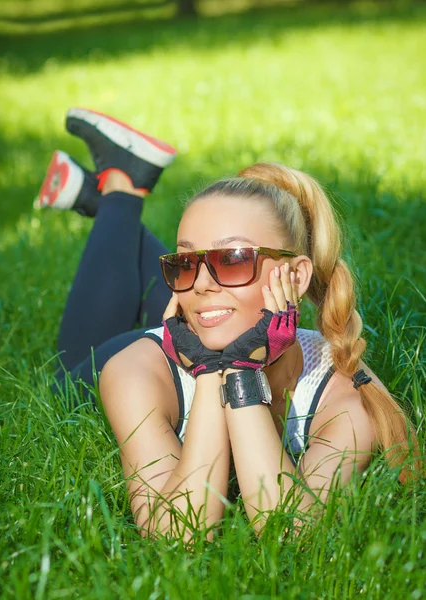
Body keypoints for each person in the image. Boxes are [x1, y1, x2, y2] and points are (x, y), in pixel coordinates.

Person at [38, 107, 421, 540]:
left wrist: (241, 371)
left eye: (234, 258)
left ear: (295, 276)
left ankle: (108, 196)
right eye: (185, 261)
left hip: (220, 324)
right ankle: (120, 193)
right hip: (124, 358)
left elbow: (288, 530)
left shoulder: (342, 391)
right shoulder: (130, 371)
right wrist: (207, 371)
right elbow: (179, 532)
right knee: (66, 371)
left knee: (212, 294)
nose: (199, 283)